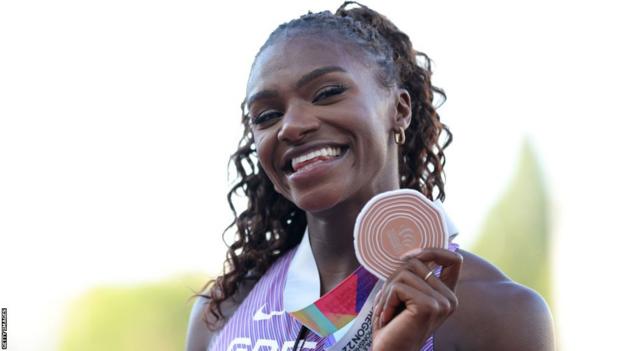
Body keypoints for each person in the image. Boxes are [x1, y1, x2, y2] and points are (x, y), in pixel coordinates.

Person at [186, 2, 555, 350]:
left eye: (327, 93)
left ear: (400, 109)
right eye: (266, 116)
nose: (292, 126)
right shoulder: (222, 312)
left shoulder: (495, 311)